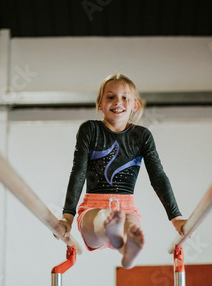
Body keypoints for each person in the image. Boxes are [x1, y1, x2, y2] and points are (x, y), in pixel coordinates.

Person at [58, 73, 187, 269]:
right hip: (94, 206)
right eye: (110, 97)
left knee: (131, 228)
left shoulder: (142, 136)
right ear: (99, 103)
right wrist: (68, 216)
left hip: (127, 207)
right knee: (101, 220)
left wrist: (176, 218)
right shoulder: (90, 130)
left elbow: (158, 176)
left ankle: (126, 248)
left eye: (125, 97)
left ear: (135, 104)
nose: (118, 102)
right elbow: (78, 172)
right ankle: (113, 232)